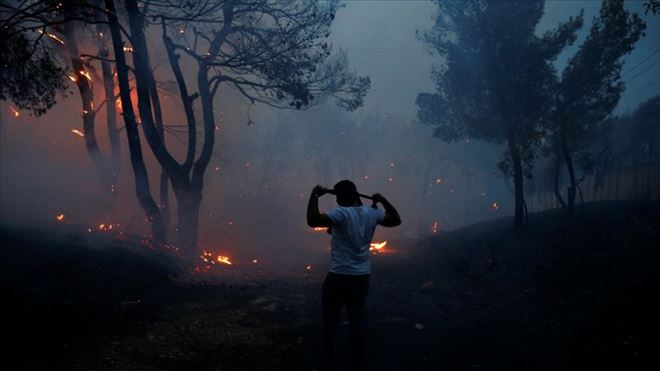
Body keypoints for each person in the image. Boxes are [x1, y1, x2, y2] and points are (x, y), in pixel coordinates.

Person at [307, 179, 401, 370]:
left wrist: (314, 196)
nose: (337, 202)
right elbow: (396, 220)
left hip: (339, 276)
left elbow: (312, 221)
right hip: (361, 276)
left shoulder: (341, 213)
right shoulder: (371, 213)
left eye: (338, 197)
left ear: (342, 197)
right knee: (357, 318)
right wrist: (382, 200)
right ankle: (356, 359)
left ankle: (329, 359)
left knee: (331, 320)